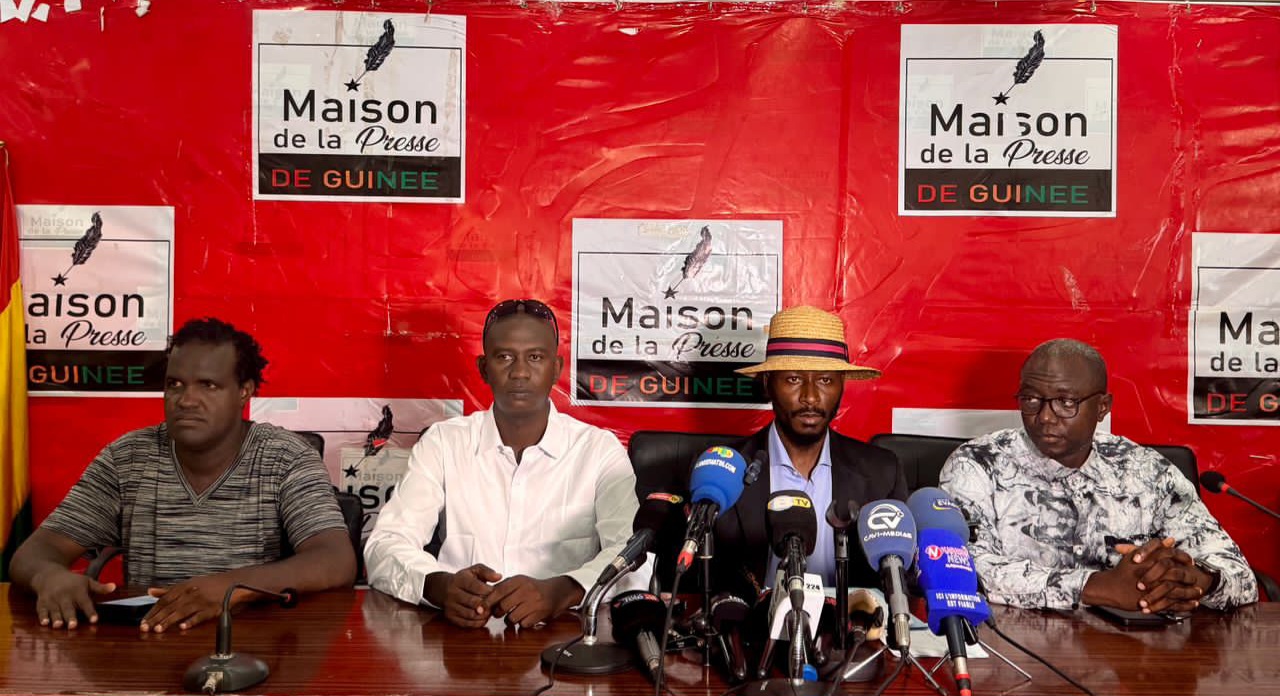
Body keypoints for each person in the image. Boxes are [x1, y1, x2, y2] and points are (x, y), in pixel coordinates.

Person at [10, 318, 356, 632]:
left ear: (244, 391)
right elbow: (37, 551)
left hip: (250, 646)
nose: (187, 400)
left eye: (208, 385)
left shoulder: (285, 457)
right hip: (151, 643)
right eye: (175, 384)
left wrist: (232, 587)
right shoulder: (127, 458)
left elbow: (335, 559)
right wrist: (49, 576)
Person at [364, 299, 645, 629]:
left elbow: (636, 555)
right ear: (484, 368)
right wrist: (438, 585)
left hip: (565, 637)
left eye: (535, 357)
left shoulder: (598, 450)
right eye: (505, 357)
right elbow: (385, 544)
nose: (520, 372)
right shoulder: (444, 442)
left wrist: (565, 590)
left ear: (557, 368)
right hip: (461, 639)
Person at [941, 338, 1257, 613]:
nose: (1046, 417)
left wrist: (1192, 580)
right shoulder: (978, 464)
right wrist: (1094, 587)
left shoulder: (1147, 470)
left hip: (1136, 654)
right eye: (1031, 399)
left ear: (1103, 407)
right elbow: (961, 565)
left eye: (1066, 402)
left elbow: (1241, 577)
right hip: (1014, 649)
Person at [711, 305, 907, 594]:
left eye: (825, 380)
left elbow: (900, 581)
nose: (811, 397)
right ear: (767, 383)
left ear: (841, 386)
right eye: (793, 379)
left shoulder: (882, 472)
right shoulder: (721, 472)